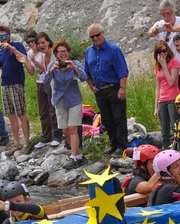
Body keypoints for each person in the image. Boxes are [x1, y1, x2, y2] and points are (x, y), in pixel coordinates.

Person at [84, 24, 129, 158]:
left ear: (103, 33)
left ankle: (122, 146)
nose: (95, 38)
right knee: (107, 120)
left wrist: (122, 88)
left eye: (97, 35)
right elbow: (87, 72)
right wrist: (92, 87)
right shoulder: (88, 52)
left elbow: (123, 71)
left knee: (119, 118)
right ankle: (113, 145)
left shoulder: (114, 49)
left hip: (114, 88)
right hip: (100, 90)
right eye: (92, 36)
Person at [44, 39, 88, 170]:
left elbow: (84, 78)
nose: (62, 54)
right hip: (59, 100)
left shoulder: (74, 63)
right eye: (59, 52)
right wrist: (51, 70)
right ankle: (78, 154)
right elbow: (45, 81)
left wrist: (74, 68)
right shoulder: (53, 64)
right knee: (65, 130)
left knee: (73, 128)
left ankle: (74, 156)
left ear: (68, 52)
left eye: (65, 51)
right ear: (56, 54)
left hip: (74, 99)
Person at [0, 25, 33, 155]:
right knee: (11, 115)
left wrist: (10, 47)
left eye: (5, 36)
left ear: (9, 35)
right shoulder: (0, 51)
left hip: (17, 83)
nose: (3, 38)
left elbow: (23, 58)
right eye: (1, 37)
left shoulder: (17, 45)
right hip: (5, 84)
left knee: (21, 113)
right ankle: (16, 143)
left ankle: (27, 143)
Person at [30, 31, 62, 149]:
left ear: (48, 42)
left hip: (56, 85)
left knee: (53, 110)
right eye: (39, 43)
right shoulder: (43, 55)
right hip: (44, 82)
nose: (41, 45)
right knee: (43, 110)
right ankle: (46, 137)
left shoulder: (55, 53)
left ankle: (57, 136)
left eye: (43, 43)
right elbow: (45, 70)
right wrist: (34, 62)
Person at [148, 0, 180, 89]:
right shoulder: (160, 24)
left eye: (168, 14)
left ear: (173, 12)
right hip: (167, 69)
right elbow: (149, 32)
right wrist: (153, 31)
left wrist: (173, 28)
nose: (166, 17)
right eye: (163, 15)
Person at [153, 40, 180, 149]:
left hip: (173, 97)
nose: (162, 54)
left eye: (164, 50)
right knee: (164, 130)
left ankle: (178, 148)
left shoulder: (174, 62)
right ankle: (165, 148)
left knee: (175, 126)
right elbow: (157, 87)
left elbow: (171, 82)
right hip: (162, 100)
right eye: (159, 52)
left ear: (167, 50)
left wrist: (164, 66)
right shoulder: (157, 66)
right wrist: (156, 106)